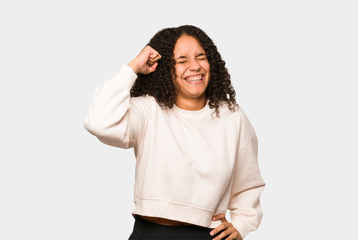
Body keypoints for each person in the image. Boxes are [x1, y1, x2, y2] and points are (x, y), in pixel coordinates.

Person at [83, 25, 266, 240]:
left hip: (208, 235)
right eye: (182, 61)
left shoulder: (232, 117)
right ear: (166, 68)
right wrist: (133, 67)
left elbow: (248, 184)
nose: (195, 66)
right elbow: (99, 122)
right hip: (151, 234)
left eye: (201, 57)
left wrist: (242, 225)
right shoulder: (148, 110)